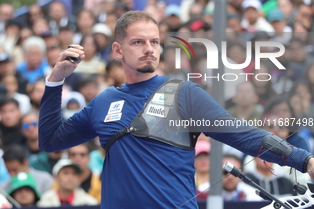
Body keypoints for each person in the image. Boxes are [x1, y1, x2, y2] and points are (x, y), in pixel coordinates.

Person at [39, 11, 314, 209]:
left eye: (154, 42)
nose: (149, 49)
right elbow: (50, 141)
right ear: (117, 50)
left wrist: (305, 160)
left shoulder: (184, 93)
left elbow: (242, 134)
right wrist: (55, 81)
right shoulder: (103, 101)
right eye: (138, 42)